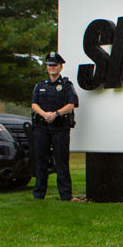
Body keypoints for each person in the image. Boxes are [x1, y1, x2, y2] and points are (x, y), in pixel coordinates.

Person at [31, 52, 79, 200]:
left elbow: (72, 104)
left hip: (60, 127)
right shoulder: (40, 85)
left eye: (55, 65)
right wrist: (44, 114)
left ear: (60, 67)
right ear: (47, 67)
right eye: (49, 65)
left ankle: (65, 195)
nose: (52, 68)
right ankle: (39, 195)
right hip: (42, 127)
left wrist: (56, 114)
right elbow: (34, 104)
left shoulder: (66, 85)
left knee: (61, 161)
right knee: (41, 161)